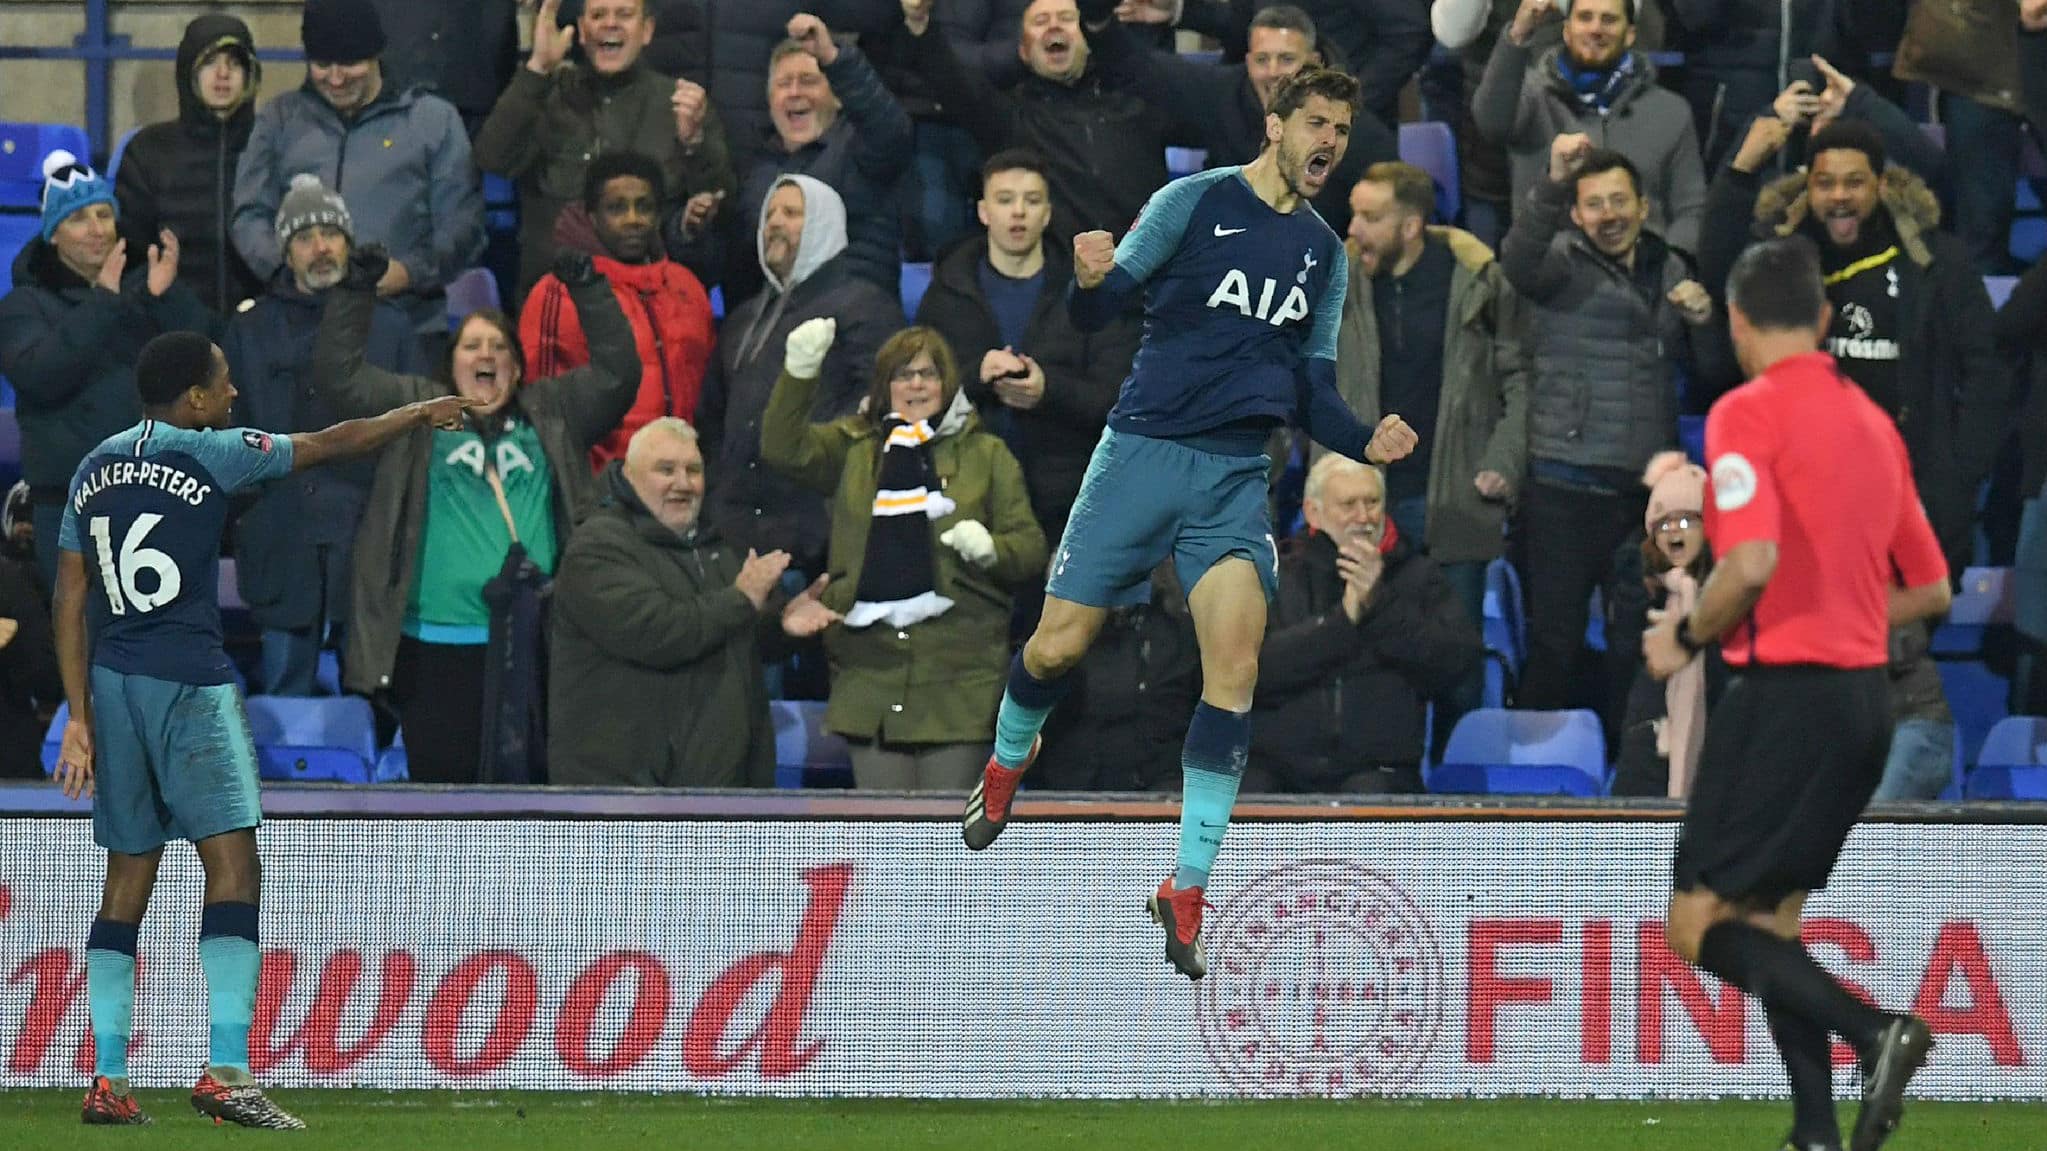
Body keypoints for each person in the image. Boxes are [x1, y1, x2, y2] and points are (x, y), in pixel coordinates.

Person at [957, 69, 1420, 980]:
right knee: (1053, 650)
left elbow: (1311, 392)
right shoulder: (1191, 202)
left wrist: (1366, 436)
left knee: (1235, 670)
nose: (1329, 139)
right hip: (1139, 456)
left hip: (1235, 478)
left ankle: (1187, 885)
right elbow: (1101, 305)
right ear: (1275, 124)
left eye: (1342, 127)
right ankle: (1009, 761)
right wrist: (1089, 278)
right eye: (1315, 123)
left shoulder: (1324, 254)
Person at [51, 330, 469, 1128]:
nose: (234, 394)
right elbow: (331, 441)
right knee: (234, 864)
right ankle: (226, 1070)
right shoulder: (212, 452)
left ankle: (107, 1079)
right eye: (224, 383)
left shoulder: (92, 465)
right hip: (190, 682)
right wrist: (417, 412)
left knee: (126, 878)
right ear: (194, 401)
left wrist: (77, 716)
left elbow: (70, 598)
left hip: (113, 682)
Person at [1641, 237, 1951, 1151]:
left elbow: (1750, 562)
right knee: (1772, 922)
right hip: (1867, 705)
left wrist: (1686, 635)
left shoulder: (1745, 412)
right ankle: (1813, 1133)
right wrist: (1846, 608)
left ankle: (1875, 1031)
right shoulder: (1872, 423)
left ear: (1737, 322)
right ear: (1823, 320)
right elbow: (1930, 590)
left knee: (1695, 923)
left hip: (1786, 696)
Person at [311, 247, 640, 783]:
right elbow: (338, 376)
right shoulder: (414, 410)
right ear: (452, 361)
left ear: (514, 365)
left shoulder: (551, 413)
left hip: (535, 646)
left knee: (531, 802)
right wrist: (354, 290)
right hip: (434, 647)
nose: (485, 354)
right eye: (472, 345)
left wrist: (590, 289)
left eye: (498, 346)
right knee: (445, 800)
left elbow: (618, 375)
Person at [1698, 116, 2007, 576]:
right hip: (1803, 495)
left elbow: (1987, 370)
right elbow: (1720, 270)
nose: (1839, 196)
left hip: (1910, 497)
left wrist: (1958, 478)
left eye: (1854, 183)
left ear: (1881, 185)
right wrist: (1740, 174)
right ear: (1808, 189)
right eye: (1825, 183)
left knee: (1901, 644)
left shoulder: (1938, 262)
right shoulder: (1785, 259)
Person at [762, 322, 1047, 789]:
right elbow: (782, 448)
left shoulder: (987, 455)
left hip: (959, 681)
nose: (916, 384)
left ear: (948, 384)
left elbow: (1030, 550)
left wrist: (991, 549)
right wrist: (800, 370)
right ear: (883, 387)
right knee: (885, 846)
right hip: (870, 679)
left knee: (946, 847)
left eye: (928, 374)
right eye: (902, 375)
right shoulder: (855, 448)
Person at [1499, 136, 1711, 727]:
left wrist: (1705, 322)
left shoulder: (1671, 267)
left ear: (1645, 207)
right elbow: (1514, 260)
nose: (1609, 215)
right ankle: (1535, 792)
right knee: (1556, 640)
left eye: (1620, 201)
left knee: (1636, 642)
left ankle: (1630, 783)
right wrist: (1553, 179)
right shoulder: (1555, 262)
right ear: (1575, 212)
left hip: (1643, 493)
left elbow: (1711, 370)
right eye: (1594, 204)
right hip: (1564, 486)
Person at [1337, 160, 1526, 742]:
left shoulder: (1475, 277)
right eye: (1353, 214)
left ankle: (1456, 809)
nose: (1354, 228)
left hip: (1453, 496)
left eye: (1370, 217)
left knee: (1457, 664)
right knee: (1361, 654)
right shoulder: (1335, 279)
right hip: (1366, 501)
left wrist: (1501, 461)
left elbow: (1519, 377)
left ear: (1412, 225)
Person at [549, 418, 839, 785]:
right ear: (630, 476)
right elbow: (660, 633)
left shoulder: (713, 543)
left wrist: (780, 626)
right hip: (630, 795)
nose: (683, 484)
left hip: (722, 789)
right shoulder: (598, 548)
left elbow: (731, 635)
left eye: (693, 470)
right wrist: (743, 598)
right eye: (665, 470)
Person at [223, 176, 425, 695]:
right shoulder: (249, 329)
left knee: (373, 702)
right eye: (305, 237)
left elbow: (414, 435)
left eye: (331, 234)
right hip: (281, 539)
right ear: (286, 253)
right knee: (287, 703)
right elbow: (228, 432)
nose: (321, 247)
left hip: (367, 539)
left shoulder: (392, 327)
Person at [0, 151, 214, 595]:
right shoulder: (25, 305)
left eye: (104, 214)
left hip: (154, 499)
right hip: (69, 508)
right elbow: (41, 375)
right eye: (79, 218)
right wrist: (105, 301)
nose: (98, 229)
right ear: (53, 233)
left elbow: (208, 362)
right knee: (81, 649)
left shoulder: (144, 291)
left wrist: (166, 298)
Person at [913, 148, 1140, 552]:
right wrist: (975, 377)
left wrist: (1047, 390)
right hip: (967, 499)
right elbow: (914, 400)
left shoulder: (1089, 292)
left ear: (1047, 213)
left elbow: (1119, 398)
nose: (1018, 212)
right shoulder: (946, 297)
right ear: (983, 212)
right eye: (1005, 200)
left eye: (1031, 200)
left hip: (1071, 498)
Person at [231, 0, 486, 346]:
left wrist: (409, 272)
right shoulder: (278, 120)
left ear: (376, 55)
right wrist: (285, 270)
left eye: (349, 63)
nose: (335, 79)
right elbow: (249, 214)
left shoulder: (433, 121)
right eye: (322, 64)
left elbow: (463, 225)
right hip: (299, 327)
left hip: (407, 326)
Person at [698, 176, 901, 577]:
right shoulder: (743, 318)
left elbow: (875, 406)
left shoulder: (863, 306)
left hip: (814, 535)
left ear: (824, 223)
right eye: (769, 214)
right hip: (736, 534)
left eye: (791, 213)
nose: (774, 222)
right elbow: (712, 416)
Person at [473, 0, 736, 298]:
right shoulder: (544, 96)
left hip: (651, 309)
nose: (610, 23)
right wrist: (537, 68)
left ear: (647, 30)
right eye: (598, 15)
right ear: (583, 32)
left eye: (624, 14)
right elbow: (491, 158)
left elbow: (720, 206)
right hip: (555, 306)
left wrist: (694, 144)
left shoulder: (681, 105)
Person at [1253, 456, 1480, 794]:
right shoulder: (1278, 578)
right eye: (1348, 504)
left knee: (1369, 795)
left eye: (1372, 502)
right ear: (1313, 512)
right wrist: (1342, 622)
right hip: (1276, 767)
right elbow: (1252, 671)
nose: (1363, 517)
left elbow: (1455, 663)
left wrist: (1379, 605)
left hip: (1379, 768)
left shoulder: (1418, 576)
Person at [1084, 4, 1398, 235]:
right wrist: (1098, 21)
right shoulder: (1222, 95)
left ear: (1314, 62)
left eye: (1287, 59)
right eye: (1262, 60)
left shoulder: (1360, 133)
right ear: (1247, 62)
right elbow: (1143, 70)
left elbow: (1385, 214)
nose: (1273, 71)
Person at [522, 151, 718, 471]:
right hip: (603, 485)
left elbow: (709, 397)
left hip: (684, 478)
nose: (632, 219)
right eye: (616, 208)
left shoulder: (688, 288)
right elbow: (541, 405)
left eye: (644, 207)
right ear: (593, 217)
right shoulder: (559, 291)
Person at [1473, 0, 1705, 254]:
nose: (1595, 29)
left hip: (1643, 276)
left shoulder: (1671, 110)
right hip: (1549, 273)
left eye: (1609, 20)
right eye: (1585, 18)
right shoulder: (1530, 97)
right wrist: (1518, 34)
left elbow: (1690, 209)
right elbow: (1491, 124)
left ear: (1630, 34)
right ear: (1566, 30)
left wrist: (1672, 269)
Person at [112, 13, 265, 317]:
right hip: (172, 325)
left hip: (261, 328)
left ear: (250, 75)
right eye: (209, 62)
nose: (222, 74)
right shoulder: (148, 151)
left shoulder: (272, 144)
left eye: (234, 63)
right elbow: (132, 257)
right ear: (188, 72)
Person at [1613, 451, 1715, 798]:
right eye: (1664, 523)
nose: (1675, 531)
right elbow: (1623, 651)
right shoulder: (1639, 586)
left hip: (1714, 742)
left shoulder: (1726, 595)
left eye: (1687, 521)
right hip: (1649, 740)